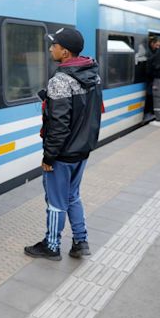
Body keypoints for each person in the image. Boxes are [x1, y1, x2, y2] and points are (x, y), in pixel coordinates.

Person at [24, 27, 102, 261]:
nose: (50, 48)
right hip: (82, 150)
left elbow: (58, 125)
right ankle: (80, 241)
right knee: (72, 197)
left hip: (63, 153)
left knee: (56, 202)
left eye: (54, 45)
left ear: (65, 52)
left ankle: (52, 246)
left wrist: (49, 157)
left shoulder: (60, 81)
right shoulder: (93, 75)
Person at [143, 36, 160, 120]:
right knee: (149, 97)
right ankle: (147, 113)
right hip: (150, 79)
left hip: (152, 79)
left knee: (151, 96)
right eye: (156, 45)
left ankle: (149, 113)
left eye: (159, 45)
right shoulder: (149, 53)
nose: (158, 47)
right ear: (152, 43)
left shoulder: (155, 52)